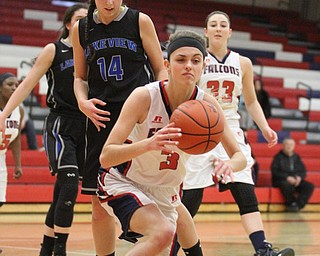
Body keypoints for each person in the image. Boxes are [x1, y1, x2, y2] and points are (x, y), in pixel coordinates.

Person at [97, 30, 247, 256]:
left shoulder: (208, 106)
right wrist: (148, 144)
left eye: (196, 61)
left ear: (203, 66)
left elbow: (240, 157)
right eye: (181, 60)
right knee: (163, 232)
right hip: (123, 180)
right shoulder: (144, 97)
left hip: (167, 191)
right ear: (167, 65)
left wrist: (229, 166)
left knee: (170, 231)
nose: (189, 66)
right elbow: (106, 156)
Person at [178, 11, 295, 256]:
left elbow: (251, 101)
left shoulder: (243, 63)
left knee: (245, 190)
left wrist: (265, 127)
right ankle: (172, 248)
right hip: (200, 128)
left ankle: (262, 250)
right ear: (206, 32)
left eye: (223, 25)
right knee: (190, 197)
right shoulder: (198, 60)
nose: (218, 28)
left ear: (230, 32)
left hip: (230, 127)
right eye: (213, 24)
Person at [72, 0, 167, 255]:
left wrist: (164, 108)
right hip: (100, 118)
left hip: (137, 119)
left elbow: (161, 70)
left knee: (158, 195)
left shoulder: (139, 21)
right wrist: (82, 102)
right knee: (98, 205)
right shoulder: (81, 28)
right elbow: (79, 77)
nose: (110, 2)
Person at [0, 4, 89, 256]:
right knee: (70, 184)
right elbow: (28, 84)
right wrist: (5, 113)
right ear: (69, 23)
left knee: (63, 189)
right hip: (60, 123)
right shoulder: (54, 49)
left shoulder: (91, 52)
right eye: (79, 19)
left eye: (87, 20)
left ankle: (47, 247)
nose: (84, 24)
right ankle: (60, 248)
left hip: (84, 125)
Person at [271, 137, 314, 212]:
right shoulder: (278, 157)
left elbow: (303, 170)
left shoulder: (296, 157)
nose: (289, 146)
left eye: (291, 144)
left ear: (294, 146)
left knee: (309, 186)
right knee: (286, 185)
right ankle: (290, 203)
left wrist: (299, 177)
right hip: (281, 180)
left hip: (296, 180)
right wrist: (287, 177)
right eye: (287, 144)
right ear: (283, 145)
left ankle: (297, 205)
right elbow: (275, 171)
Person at [0, 73, 23, 207]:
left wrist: (18, 164)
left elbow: (16, 139)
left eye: (17, 85)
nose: (14, 88)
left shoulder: (19, 110)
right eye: (9, 84)